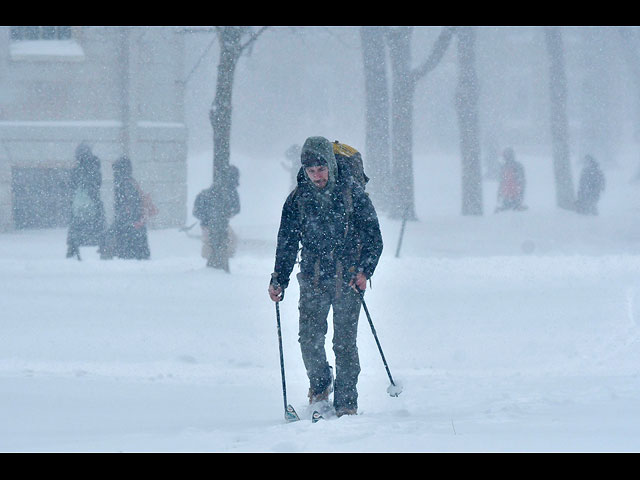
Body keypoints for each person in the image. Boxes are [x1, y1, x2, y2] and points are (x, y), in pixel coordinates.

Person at [268, 136, 383, 418]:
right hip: (313, 279)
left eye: (321, 169)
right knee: (309, 339)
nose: (316, 176)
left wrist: (364, 271)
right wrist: (278, 280)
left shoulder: (352, 193)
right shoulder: (297, 199)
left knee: (343, 343)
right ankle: (320, 388)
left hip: (348, 280)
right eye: (311, 171)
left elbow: (374, 238)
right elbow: (286, 242)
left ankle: (346, 402)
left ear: (330, 165)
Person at [101, 156, 152, 260]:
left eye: (115, 170)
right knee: (130, 245)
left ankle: (114, 258)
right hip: (132, 221)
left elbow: (130, 203)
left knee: (118, 241)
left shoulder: (123, 182)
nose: (114, 173)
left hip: (129, 221)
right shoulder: (129, 181)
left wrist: (125, 217)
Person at [193, 165, 240, 272]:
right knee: (218, 240)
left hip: (209, 222)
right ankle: (214, 261)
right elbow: (236, 208)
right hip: (212, 222)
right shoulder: (227, 191)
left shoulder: (214, 191)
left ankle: (213, 259)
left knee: (212, 240)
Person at [66, 143, 106, 259]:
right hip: (92, 204)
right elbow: (97, 184)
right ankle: (102, 252)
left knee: (76, 231)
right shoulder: (95, 167)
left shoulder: (79, 170)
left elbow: (73, 184)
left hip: (80, 205)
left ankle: (73, 253)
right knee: (97, 230)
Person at [495, 147, 527, 212]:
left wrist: (520, 194)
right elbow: (502, 182)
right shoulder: (504, 167)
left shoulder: (517, 166)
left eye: (506, 155)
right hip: (507, 196)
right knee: (506, 211)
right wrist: (499, 193)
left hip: (514, 195)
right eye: (505, 156)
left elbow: (521, 181)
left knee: (513, 211)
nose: (505, 158)